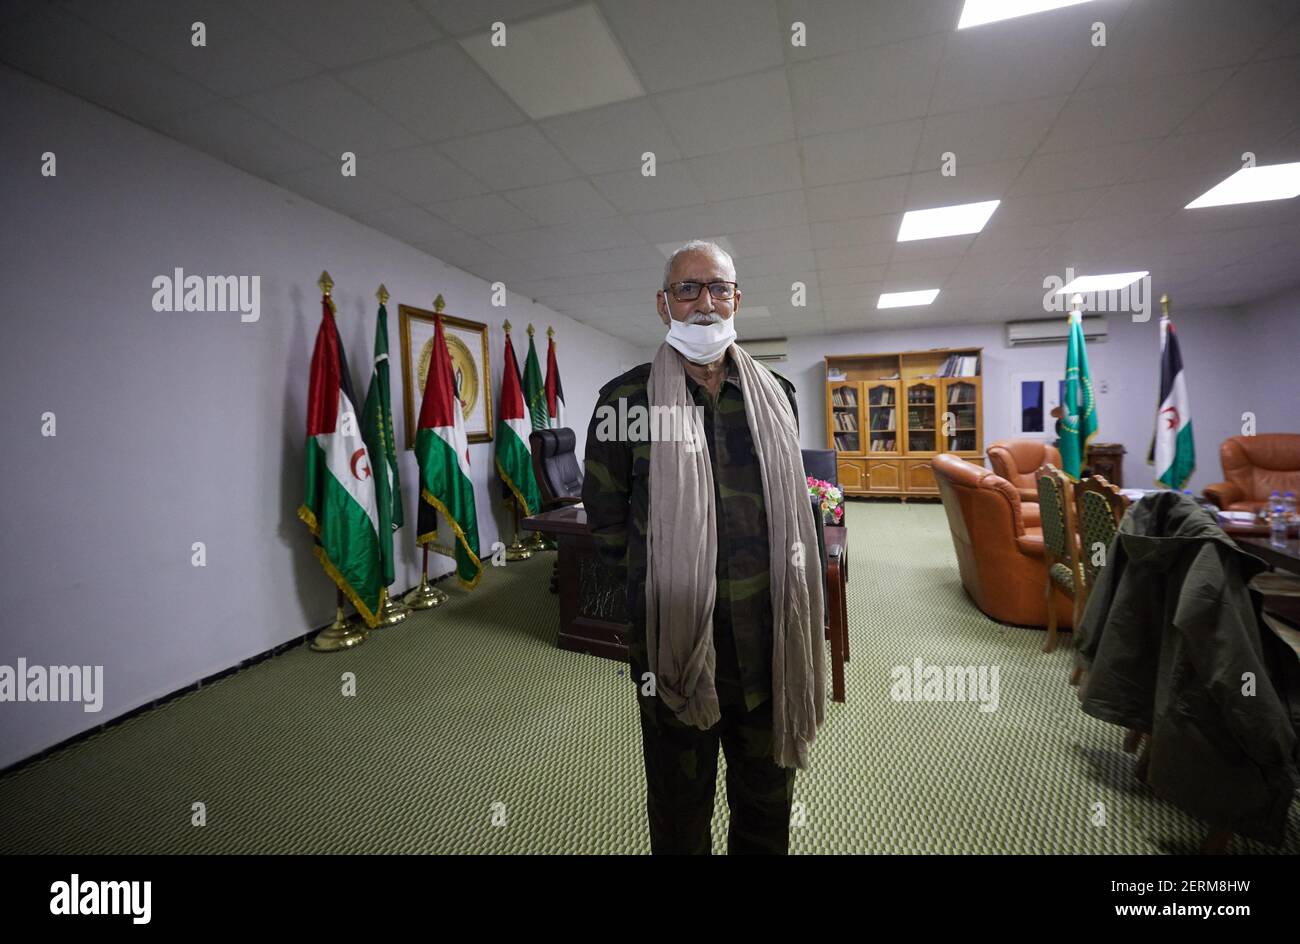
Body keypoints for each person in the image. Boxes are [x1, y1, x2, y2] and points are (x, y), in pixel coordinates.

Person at [582, 239, 826, 854]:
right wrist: (660, 588)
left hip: (767, 642)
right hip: (677, 643)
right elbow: (606, 523)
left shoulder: (778, 396)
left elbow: (794, 510)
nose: (704, 304)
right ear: (664, 306)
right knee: (679, 808)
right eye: (687, 290)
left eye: (718, 288)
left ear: (737, 299)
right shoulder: (625, 401)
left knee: (766, 804)